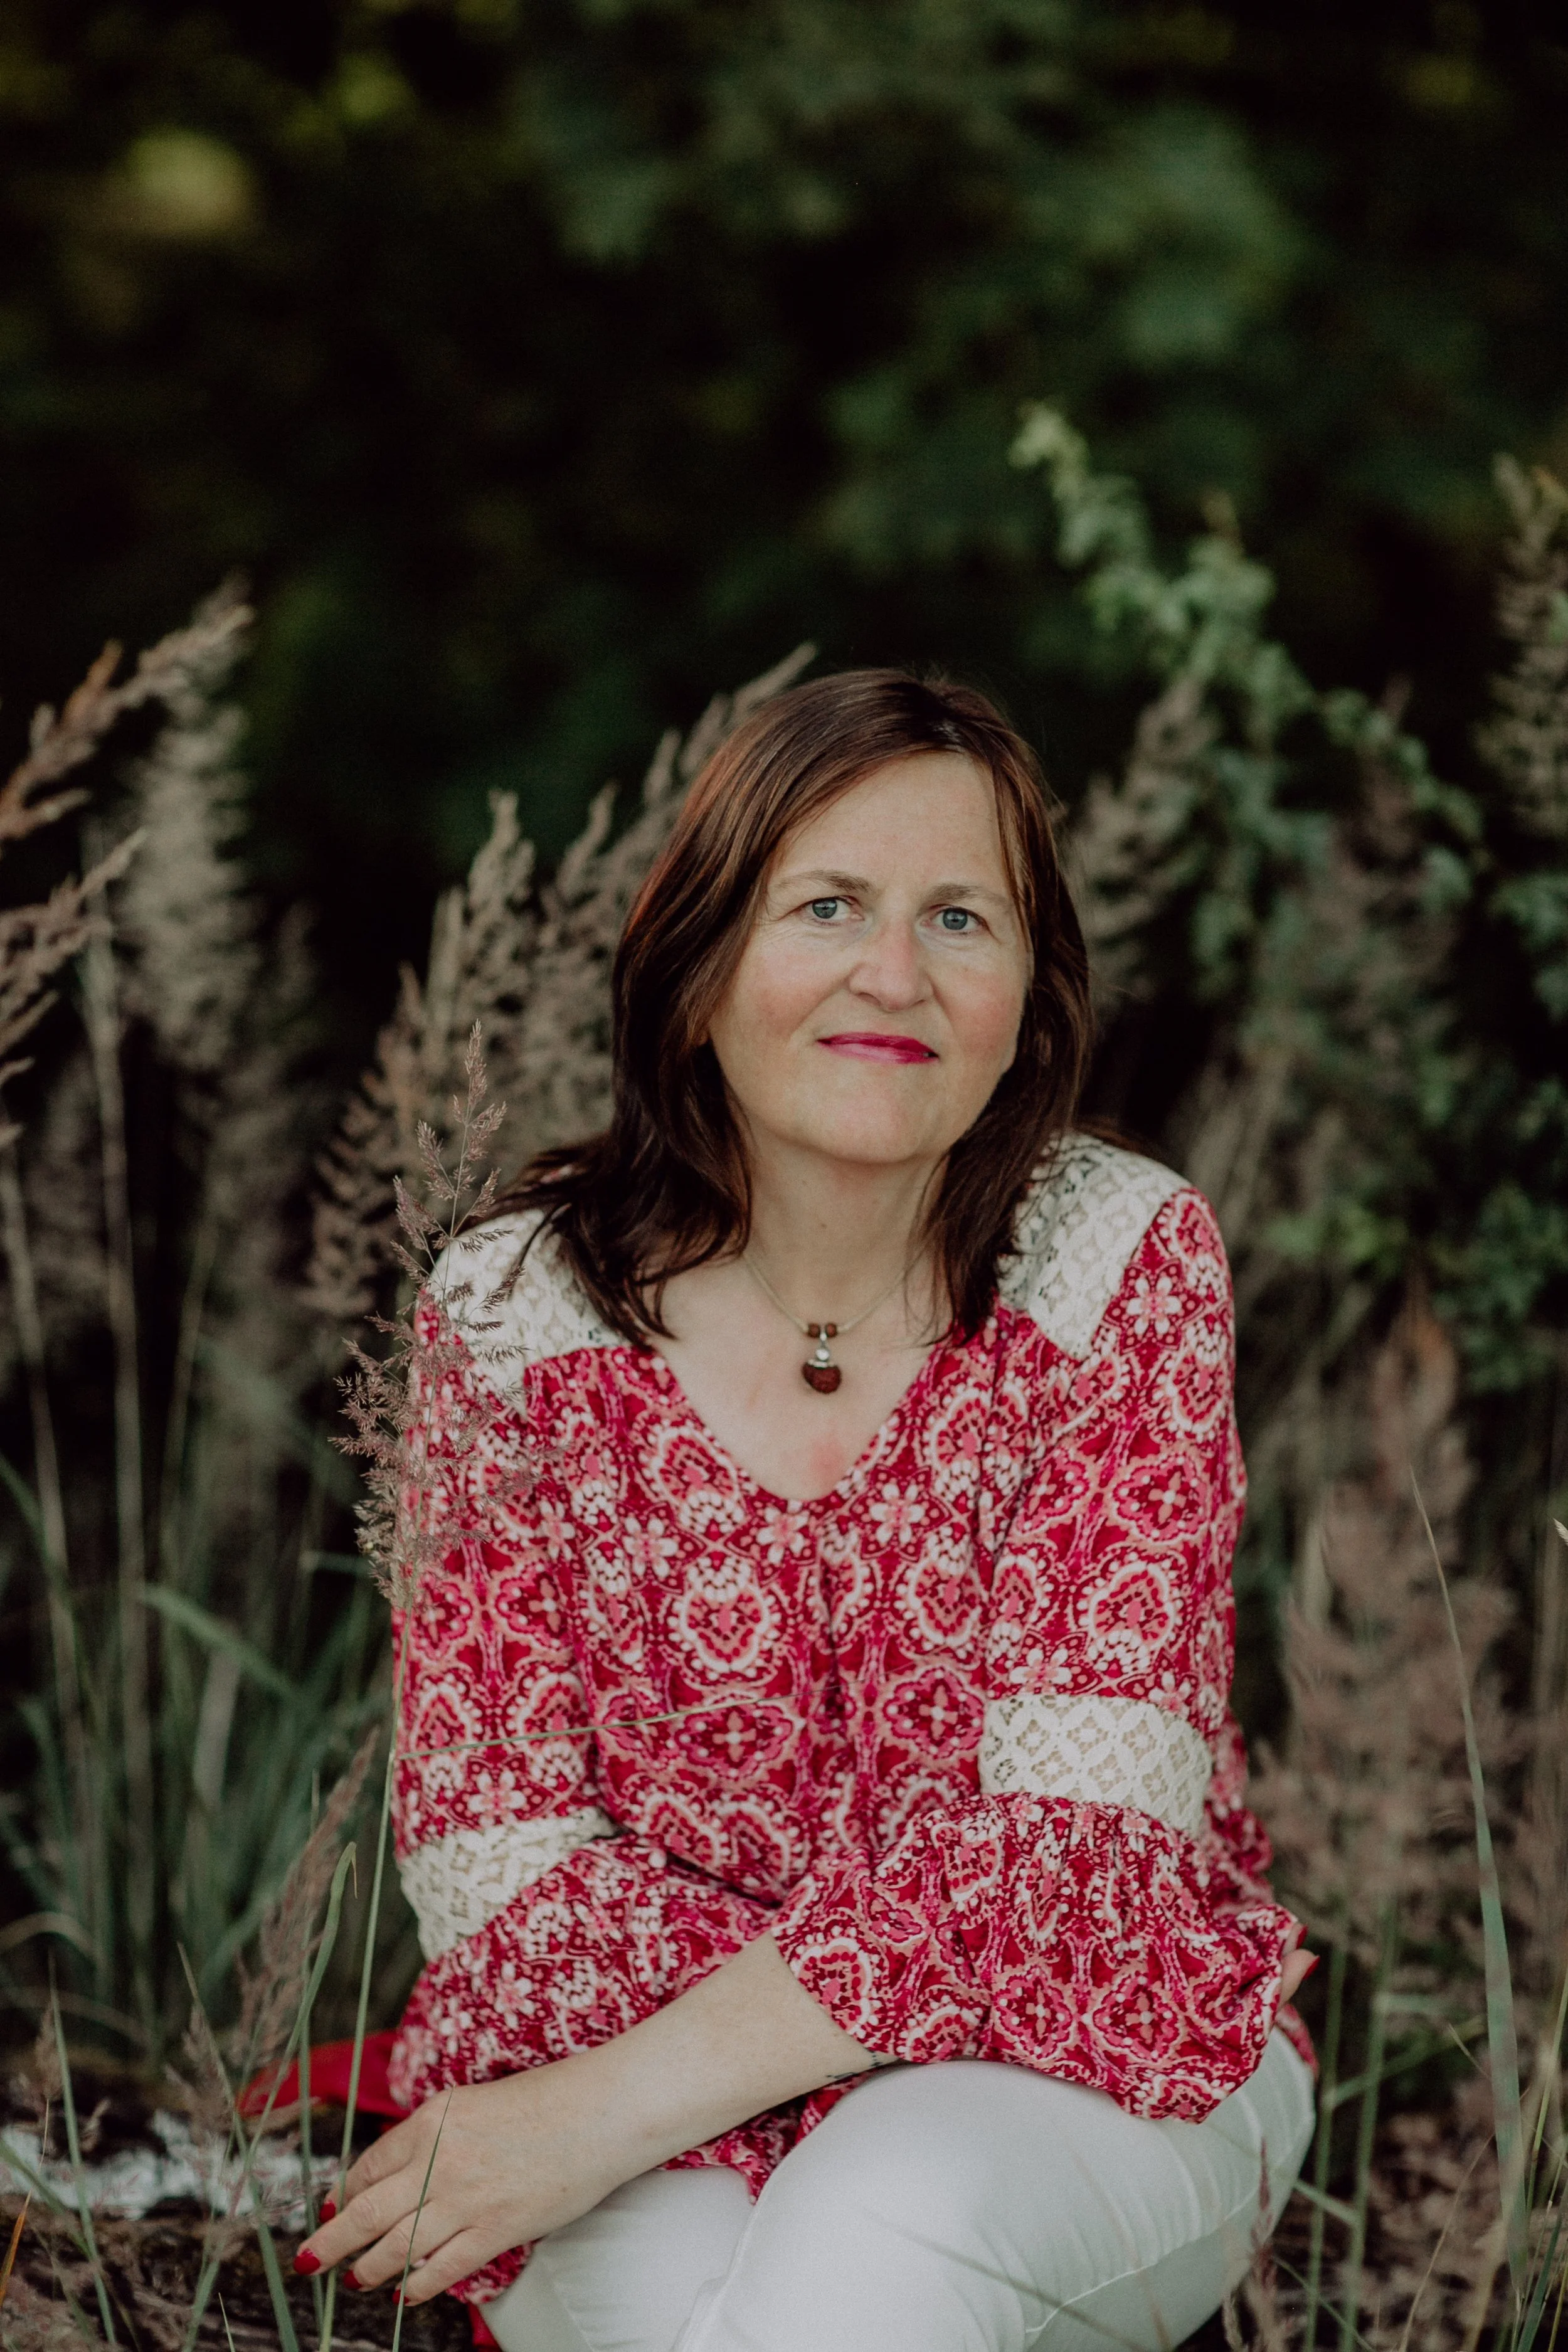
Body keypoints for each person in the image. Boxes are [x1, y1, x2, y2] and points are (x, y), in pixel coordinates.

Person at [294, 670, 1316, 2352]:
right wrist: (860, 1993)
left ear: (1027, 1001)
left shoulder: (1116, 1262)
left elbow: (1076, 1866)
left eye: (960, 919)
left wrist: (619, 2101)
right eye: (827, 904)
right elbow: (499, 1868)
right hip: (609, 2064)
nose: (893, 974)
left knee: (879, 2243)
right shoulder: (509, 1311)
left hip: (1081, 2069)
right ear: (699, 967)